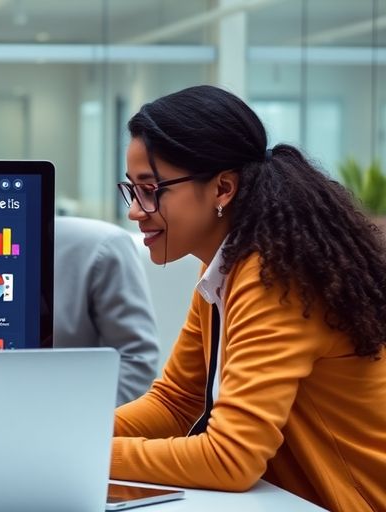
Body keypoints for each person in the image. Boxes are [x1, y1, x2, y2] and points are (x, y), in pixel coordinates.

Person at [112, 85, 386, 510]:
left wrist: (77, 451)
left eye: (151, 190)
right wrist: (71, 434)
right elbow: (175, 401)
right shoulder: (223, 267)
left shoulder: (276, 278)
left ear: (222, 188)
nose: (135, 211)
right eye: (132, 190)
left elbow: (229, 459)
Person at [53, 216, 159, 405]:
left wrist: (82, 423)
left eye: (147, 191)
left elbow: (136, 361)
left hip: (72, 419)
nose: (134, 212)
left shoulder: (100, 247)